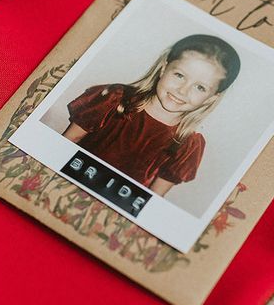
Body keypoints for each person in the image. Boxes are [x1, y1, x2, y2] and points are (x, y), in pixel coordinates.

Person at [62, 34, 241, 196]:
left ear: (211, 98)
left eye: (200, 87)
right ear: (163, 69)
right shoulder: (114, 100)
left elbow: (154, 197)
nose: (182, 90)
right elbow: (67, 140)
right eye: (179, 75)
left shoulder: (188, 144)